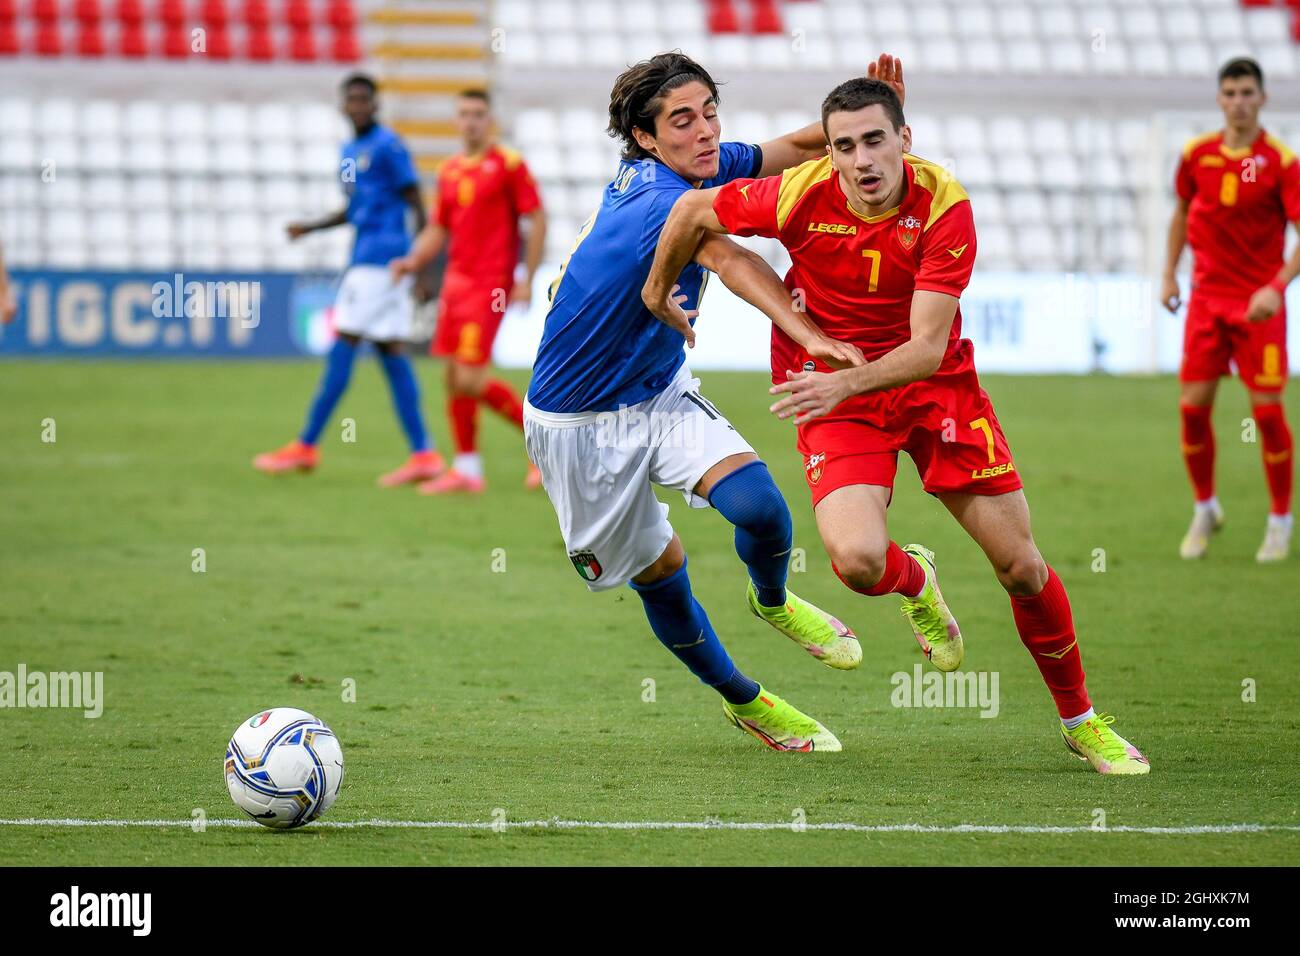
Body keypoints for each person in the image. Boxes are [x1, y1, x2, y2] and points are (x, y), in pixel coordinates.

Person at [643, 77, 1151, 775]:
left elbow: (927, 349)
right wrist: (655, 292)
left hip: (929, 391)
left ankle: (1081, 722)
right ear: (829, 152)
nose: (861, 161)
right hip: (842, 399)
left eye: (875, 140)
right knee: (856, 562)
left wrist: (839, 380)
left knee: (1021, 568)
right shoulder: (798, 192)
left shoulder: (944, 204)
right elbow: (693, 210)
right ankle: (917, 584)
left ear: (904, 141)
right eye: (844, 146)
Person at [522, 53, 906, 752]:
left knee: (760, 507)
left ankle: (774, 600)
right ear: (645, 138)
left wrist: (873, 117)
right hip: (575, 426)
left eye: (708, 112)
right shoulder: (660, 203)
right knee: (663, 573)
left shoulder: (692, 168)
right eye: (682, 120)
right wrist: (810, 336)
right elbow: (732, 262)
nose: (704, 131)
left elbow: (785, 150)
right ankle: (745, 699)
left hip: (657, 393)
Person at [254, 74, 441, 486]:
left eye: (364, 99)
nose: (357, 105)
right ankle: (424, 453)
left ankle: (306, 444)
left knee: (344, 341)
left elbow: (416, 202)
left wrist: (422, 263)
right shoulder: (348, 151)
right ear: (343, 105)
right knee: (391, 352)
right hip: (373, 259)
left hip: (380, 261)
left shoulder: (389, 146)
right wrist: (310, 227)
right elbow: (352, 209)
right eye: (351, 99)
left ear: (374, 105)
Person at [1161, 57, 1299, 563]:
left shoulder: (1281, 163)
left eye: (1247, 93)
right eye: (1230, 93)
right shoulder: (1197, 155)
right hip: (1205, 303)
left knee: (1266, 414)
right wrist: (1169, 273)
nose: (1238, 102)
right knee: (1192, 410)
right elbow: (1181, 211)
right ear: (1220, 100)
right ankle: (1206, 508)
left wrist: (1277, 287)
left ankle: (1280, 520)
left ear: (1263, 98)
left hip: (1259, 308)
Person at [391, 89, 548, 494]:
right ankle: (467, 469)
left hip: (490, 285)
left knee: (471, 378)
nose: (471, 121)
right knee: (453, 377)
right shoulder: (449, 171)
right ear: (456, 121)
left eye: (478, 114)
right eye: (464, 114)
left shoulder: (509, 165)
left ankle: (545, 451)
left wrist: (526, 277)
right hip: (455, 285)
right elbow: (438, 227)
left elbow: (536, 218)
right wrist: (412, 261)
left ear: (489, 120)